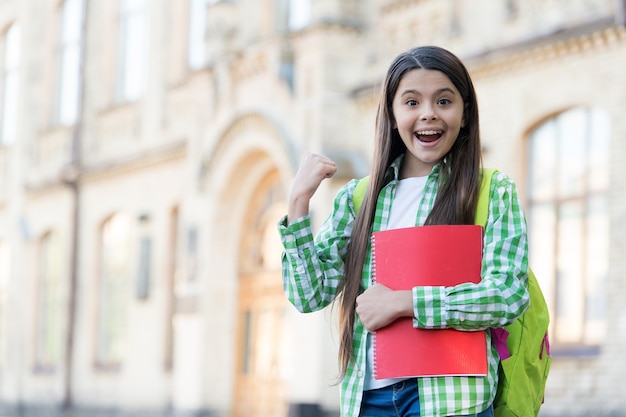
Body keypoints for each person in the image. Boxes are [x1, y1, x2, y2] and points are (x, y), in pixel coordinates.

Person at [277, 45, 530, 417]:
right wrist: (298, 204)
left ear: (465, 113)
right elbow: (308, 294)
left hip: (453, 401)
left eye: (444, 101)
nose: (428, 114)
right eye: (411, 102)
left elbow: (507, 295)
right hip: (371, 400)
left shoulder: (492, 191)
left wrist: (405, 303)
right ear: (393, 116)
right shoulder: (359, 199)